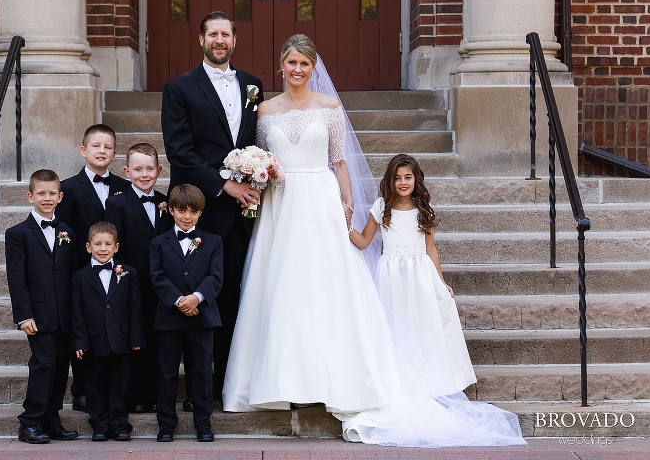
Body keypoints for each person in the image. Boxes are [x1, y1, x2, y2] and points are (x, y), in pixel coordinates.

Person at [222, 34, 526, 447]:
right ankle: (277, 381)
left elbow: (338, 160)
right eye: (291, 63)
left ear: (314, 69)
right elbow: (264, 161)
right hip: (280, 207)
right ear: (281, 64)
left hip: (320, 201)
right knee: (281, 286)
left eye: (304, 65)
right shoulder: (265, 110)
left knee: (328, 287)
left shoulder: (329, 107)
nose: (297, 70)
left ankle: (336, 378)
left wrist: (347, 202)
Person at [161, 11, 263, 400]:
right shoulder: (180, 88)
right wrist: (226, 186)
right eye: (212, 34)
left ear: (235, 40)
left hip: (242, 216)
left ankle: (230, 384)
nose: (219, 40)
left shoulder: (253, 85)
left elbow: (256, 141)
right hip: (201, 210)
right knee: (202, 299)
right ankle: (200, 390)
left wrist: (257, 177)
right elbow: (180, 152)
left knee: (236, 297)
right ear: (201, 39)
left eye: (226, 34)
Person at [349, 154, 477, 395]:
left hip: (420, 276)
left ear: (416, 179)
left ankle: (430, 375)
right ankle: (399, 376)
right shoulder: (381, 207)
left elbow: (431, 249)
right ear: (390, 181)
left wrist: (441, 281)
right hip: (391, 276)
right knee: (396, 325)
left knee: (421, 324)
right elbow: (364, 241)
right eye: (397, 178)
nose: (403, 182)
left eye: (408, 177)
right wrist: (343, 226)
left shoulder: (423, 209)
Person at [58, 124, 130, 412]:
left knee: (113, 331)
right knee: (84, 330)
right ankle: (82, 389)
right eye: (96, 146)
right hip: (82, 273)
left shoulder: (125, 188)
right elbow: (63, 233)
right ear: (83, 151)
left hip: (115, 272)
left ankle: (116, 389)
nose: (102, 151)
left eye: (108, 147)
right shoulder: (67, 188)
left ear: (114, 153)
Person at [5, 169, 79, 444]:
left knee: (60, 367)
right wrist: (23, 315)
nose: (46, 199)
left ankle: (52, 418)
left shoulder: (67, 232)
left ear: (60, 197)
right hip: (37, 314)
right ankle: (30, 421)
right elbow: (16, 277)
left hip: (64, 314)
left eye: (51, 194)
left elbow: (70, 275)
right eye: (41, 194)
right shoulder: (17, 234)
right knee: (43, 365)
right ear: (30, 197)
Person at [149, 184, 223, 443]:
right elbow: (156, 277)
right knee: (167, 372)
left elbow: (216, 276)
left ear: (201, 213)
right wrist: (180, 300)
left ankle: (203, 422)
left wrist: (196, 298)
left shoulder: (213, 241)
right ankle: (166, 423)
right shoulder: (159, 243)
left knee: (202, 372)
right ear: (171, 211)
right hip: (169, 317)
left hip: (201, 317)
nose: (187, 216)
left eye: (193, 211)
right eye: (181, 210)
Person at [105, 143, 173, 414]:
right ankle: (133, 395)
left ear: (159, 170)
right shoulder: (117, 202)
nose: (144, 174)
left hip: (160, 285)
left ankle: (156, 394)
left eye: (149, 169)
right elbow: (114, 243)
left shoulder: (165, 202)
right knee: (135, 339)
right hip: (132, 283)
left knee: (157, 340)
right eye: (137, 169)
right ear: (126, 171)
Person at [71, 221, 143, 441]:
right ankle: (100, 424)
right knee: (95, 384)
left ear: (116, 247)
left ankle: (120, 424)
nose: (103, 249)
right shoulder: (80, 277)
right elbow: (76, 312)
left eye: (107, 244)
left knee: (120, 384)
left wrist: (136, 337)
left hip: (121, 339)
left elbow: (136, 308)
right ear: (88, 247)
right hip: (94, 340)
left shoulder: (128, 273)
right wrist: (80, 341)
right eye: (98, 244)